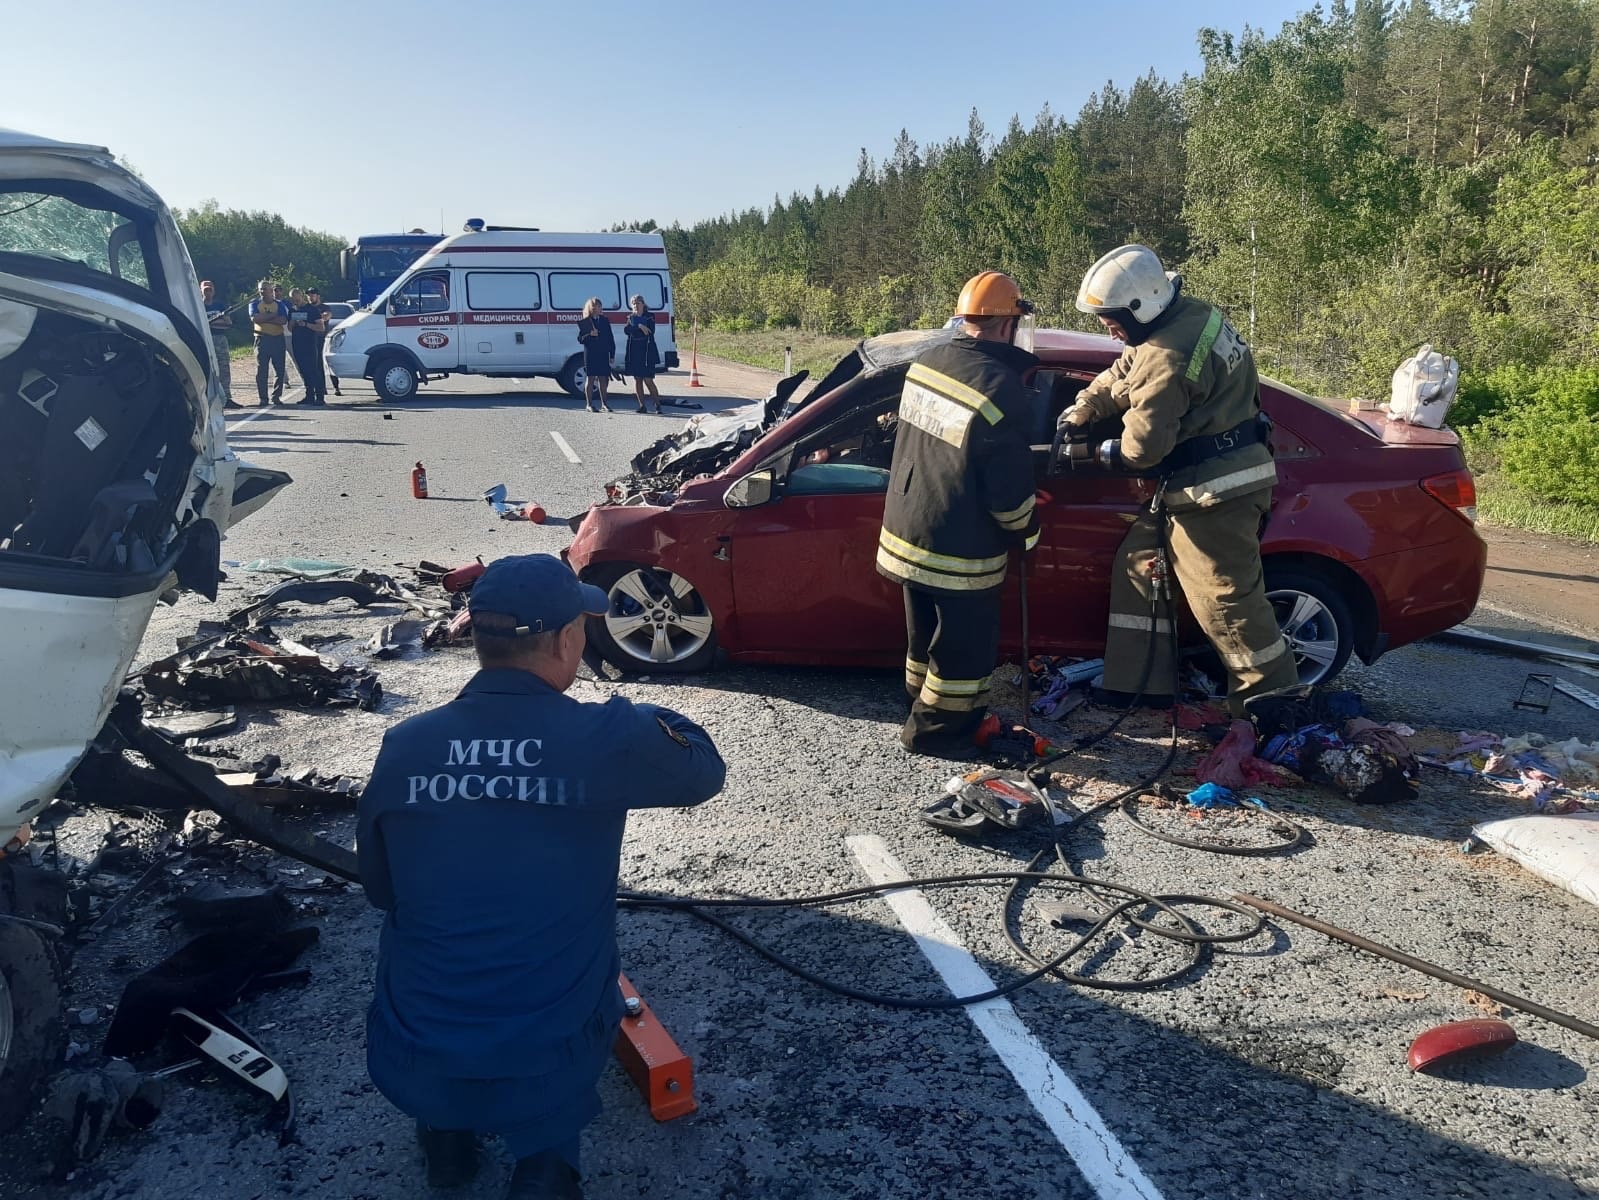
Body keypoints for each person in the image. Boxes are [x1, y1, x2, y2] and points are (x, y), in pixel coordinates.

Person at [358, 554, 725, 1199]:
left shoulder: (407, 744)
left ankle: (446, 1142)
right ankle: (546, 1169)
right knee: (565, 984)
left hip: (415, 1049)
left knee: (425, 945)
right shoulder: (605, 735)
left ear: (478, 639)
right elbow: (703, 770)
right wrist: (638, 716)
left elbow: (380, 890)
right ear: (565, 640)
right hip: (548, 1054)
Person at [1059, 243, 1297, 715]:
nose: (1107, 327)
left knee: (1227, 606)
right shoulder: (1190, 315)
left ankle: (1275, 710)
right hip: (1204, 480)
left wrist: (1097, 453)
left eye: (1111, 318)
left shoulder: (1168, 356)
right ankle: (1140, 685)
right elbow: (1127, 368)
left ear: (1140, 307)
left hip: (1216, 493)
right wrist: (1087, 404)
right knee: (1140, 565)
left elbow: (1143, 449)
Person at [876, 271, 1041, 755]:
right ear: (1009, 324)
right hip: (959, 547)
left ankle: (918, 703)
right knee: (964, 649)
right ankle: (937, 733)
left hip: (908, 527)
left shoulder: (928, 362)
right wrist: (1028, 531)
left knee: (923, 632)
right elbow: (1008, 495)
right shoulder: (1002, 388)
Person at [248, 279, 290, 406]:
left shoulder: (280, 304)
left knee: (279, 369)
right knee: (262, 370)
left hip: (277, 338)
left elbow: (283, 320)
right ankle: (263, 398)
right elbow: (255, 318)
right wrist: (273, 316)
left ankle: (276, 396)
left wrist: (265, 318)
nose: (262, 291)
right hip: (262, 339)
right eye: (260, 289)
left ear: (271, 291)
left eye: (265, 289)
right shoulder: (254, 303)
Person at [622, 294, 662, 413]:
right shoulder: (630, 318)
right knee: (638, 379)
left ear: (643, 304)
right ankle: (642, 406)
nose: (635, 305)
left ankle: (657, 405)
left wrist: (640, 328)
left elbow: (650, 331)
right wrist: (639, 326)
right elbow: (627, 330)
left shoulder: (650, 317)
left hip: (647, 351)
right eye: (633, 303)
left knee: (648, 380)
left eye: (638, 303)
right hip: (635, 351)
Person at [576, 297, 615, 413]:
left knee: (603, 378)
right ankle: (589, 404)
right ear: (591, 308)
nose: (599, 308)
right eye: (596, 306)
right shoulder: (586, 321)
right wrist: (590, 334)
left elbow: (610, 338)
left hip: (603, 352)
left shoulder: (604, 320)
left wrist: (612, 354)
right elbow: (580, 339)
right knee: (591, 378)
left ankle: (605, 404)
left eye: (600, 306)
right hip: (591, 353)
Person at [292, 286, 330, 405]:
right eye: (293, 299)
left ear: (301, 297)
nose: (295, 301)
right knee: (304, 370)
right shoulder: (293, 310)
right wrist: (293, 322)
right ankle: (309, 396)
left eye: (297, 299)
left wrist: (306, 324)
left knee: (314, 369)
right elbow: (289, 327)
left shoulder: (312, 310)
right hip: (297, 344)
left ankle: (320, 396)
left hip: (311, 343)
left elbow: (321, 327)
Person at [200, 280, 234, 407]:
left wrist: (212, 323)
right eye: (205, 289)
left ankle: (227, 397)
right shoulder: (198, 305)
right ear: (201, 290)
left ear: (213, 290)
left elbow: (228, 323)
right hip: (206, 340)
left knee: (224, 368)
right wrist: (216, 322)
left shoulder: (220, 305)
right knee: (207, 369)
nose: (208, 292)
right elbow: (199, 324)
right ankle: (209, 399)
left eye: (210, 289)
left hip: (220, 339)